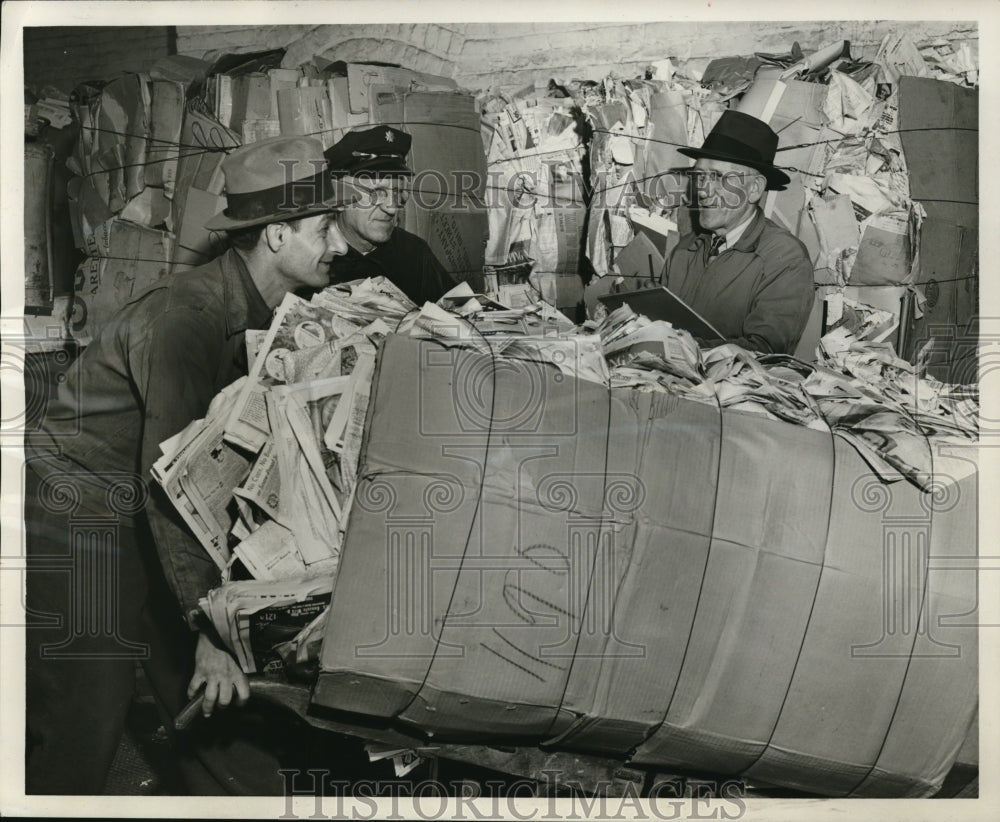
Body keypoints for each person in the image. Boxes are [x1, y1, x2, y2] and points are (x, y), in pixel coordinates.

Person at [24, 135, 353, 794]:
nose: (341, 246)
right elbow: (171, 494)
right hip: (82, 507)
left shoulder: (272, 317)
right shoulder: (188, 320)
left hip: (143, 499)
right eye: (326, 229)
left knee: (208, 697)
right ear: (277, 237)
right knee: (91, 705)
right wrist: (212, 623)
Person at [663, 110, 814, 355]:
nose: (702, 190)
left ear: (754, 189)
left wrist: (678, 347)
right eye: (699, 176)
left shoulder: (785, 259)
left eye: (718, 177)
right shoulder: (685, 250)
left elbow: (765, 351)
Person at [324, 126, 456, 305]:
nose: (392, 208)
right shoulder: (314, 259)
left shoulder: (413, 253)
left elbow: (459, 314)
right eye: (377, 193)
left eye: (397, 192)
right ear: (339, 197)